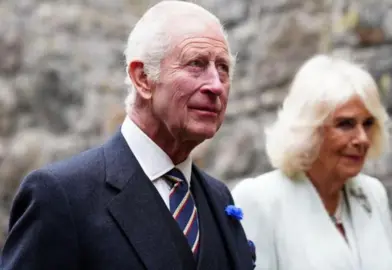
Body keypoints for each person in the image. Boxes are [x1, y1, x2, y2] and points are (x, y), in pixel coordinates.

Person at [0, 1, 255, 270]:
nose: (216, 85)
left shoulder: (218, 198)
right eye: (196, 64)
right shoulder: (60, 196)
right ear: (143, 78)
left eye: (223, 68)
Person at [232, 55, 392, 270]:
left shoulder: (372, 194)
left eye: (368, 124)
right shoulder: (259, 200)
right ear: (309, 130)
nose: (363, 138)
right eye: (346, 124)